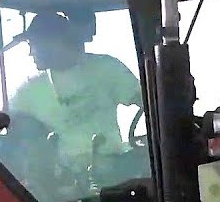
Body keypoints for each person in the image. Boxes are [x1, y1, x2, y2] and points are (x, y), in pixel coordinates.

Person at [9, 12, 143, 173]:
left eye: (34, 44)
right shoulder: (29, 90)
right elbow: (13, 129)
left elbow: (147, 102)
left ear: (57, 42)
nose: (30, 52)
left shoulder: (107, 69)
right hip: (63, 180)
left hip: (114, 170)